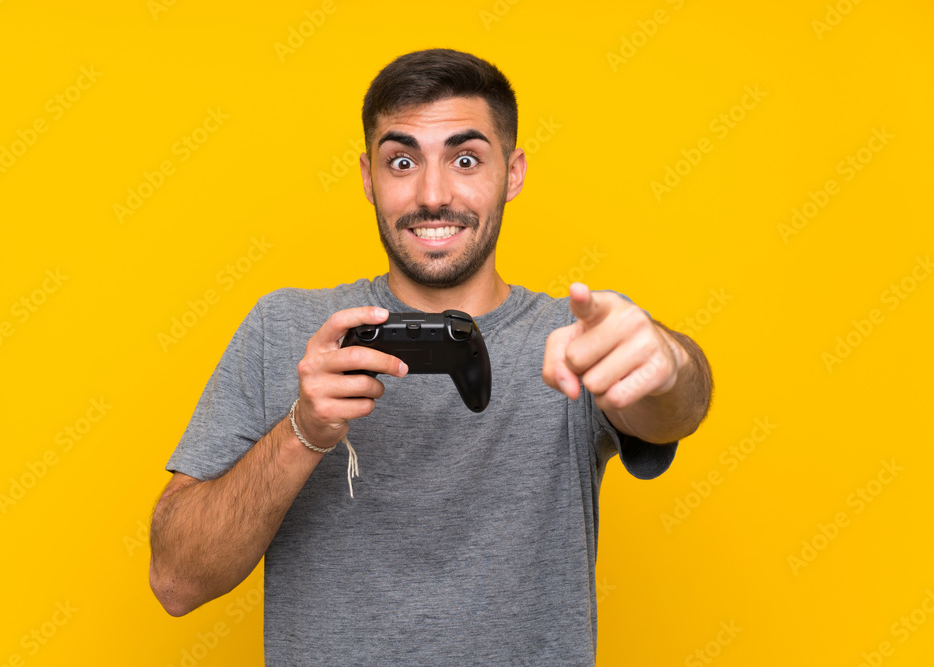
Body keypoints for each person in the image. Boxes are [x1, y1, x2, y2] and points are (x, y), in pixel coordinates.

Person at [149, 48, 712, 664]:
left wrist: (670, 362)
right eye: (402, 161)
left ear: (514, 172)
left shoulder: (574, 338)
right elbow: (176, 582)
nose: (433, 193)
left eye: (465, 159)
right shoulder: (285, 328)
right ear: (368, 177)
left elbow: (672, 408)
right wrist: (302, 432)